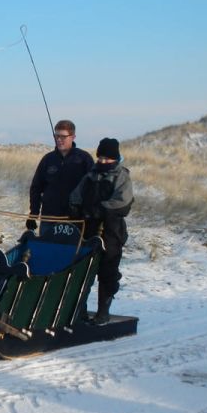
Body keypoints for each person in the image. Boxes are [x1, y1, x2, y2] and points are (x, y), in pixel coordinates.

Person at [69, 137, 134, 325]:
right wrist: (75, 206)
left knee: (108, 272)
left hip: (111, 232)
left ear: (115, 158)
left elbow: (123, 202)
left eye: (107, 158)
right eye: (101, 158)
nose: (103, 161)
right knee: (82, 271)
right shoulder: (91, 174)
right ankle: (79, 311)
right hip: (88, 230)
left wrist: (101, 209)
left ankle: (103, 312)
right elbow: (76, 194)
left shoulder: (122, 176)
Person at [27, 119, 94, 229]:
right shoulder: (48, 159)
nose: (59, 139)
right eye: (56, 136)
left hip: (75, 220)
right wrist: (33, 214)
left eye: (63, 136)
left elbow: (92, 189)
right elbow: (36, 188)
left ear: (73, 137)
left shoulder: (84, 159)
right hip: (49, 218)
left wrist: (88, 214)